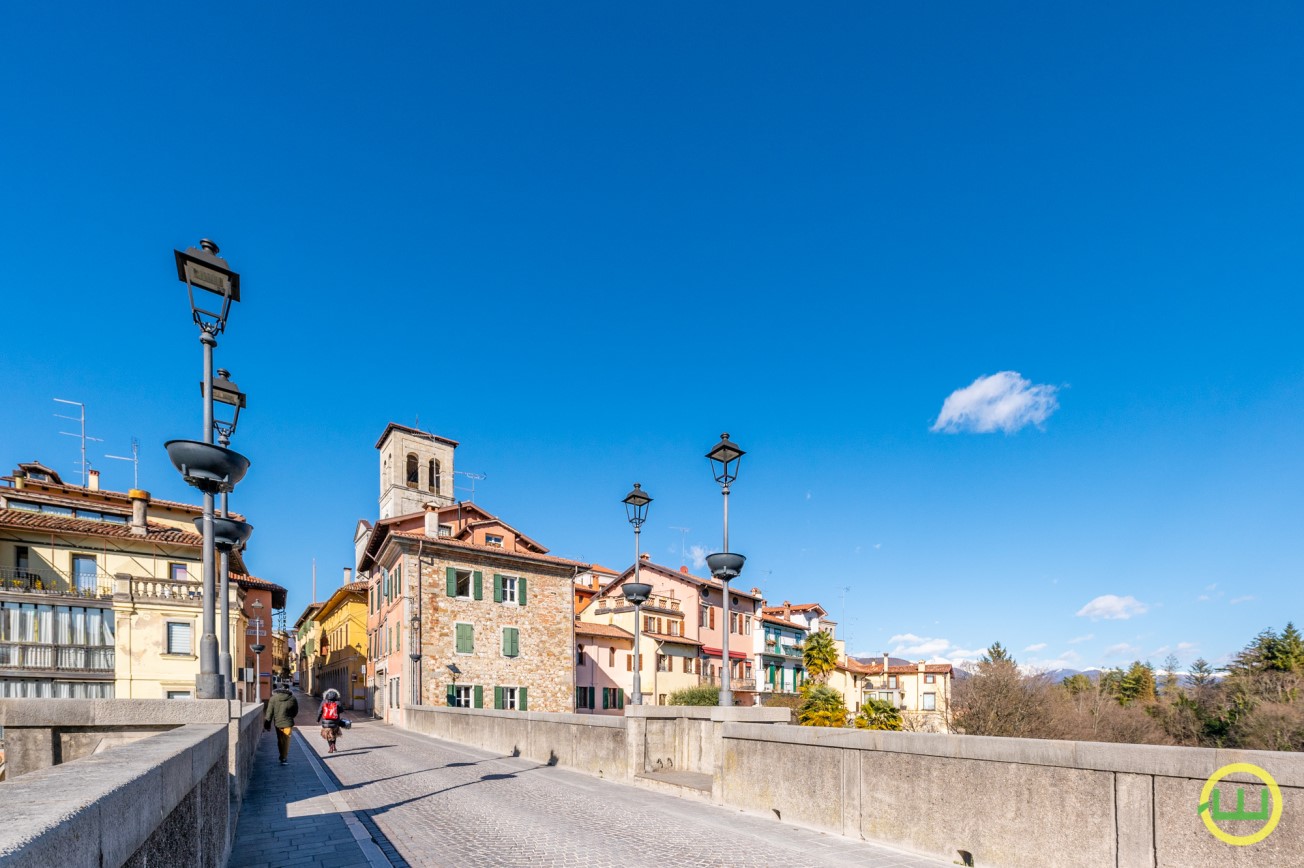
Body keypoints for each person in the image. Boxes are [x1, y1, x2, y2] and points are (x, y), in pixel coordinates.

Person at [264, 683, 299, 765]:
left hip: (278, 723)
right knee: (286, 740)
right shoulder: (292, 698)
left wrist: (267, 724)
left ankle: (282, 756)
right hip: (288, 723)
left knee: (280, 740)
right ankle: (284, 757)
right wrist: (290, 717)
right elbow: (295, 711)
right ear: (288, 689)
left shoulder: (273, 698)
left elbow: (269, 713)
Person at [317, 688, 346, 753]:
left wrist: (318, 719)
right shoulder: (337, 702)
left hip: (326, 722)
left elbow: (320, 711)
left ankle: (330, 747)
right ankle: (334, 745)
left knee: (328, 735)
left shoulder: (324, 702)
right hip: (335, 721)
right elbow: (342, 710)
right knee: (334, 734)